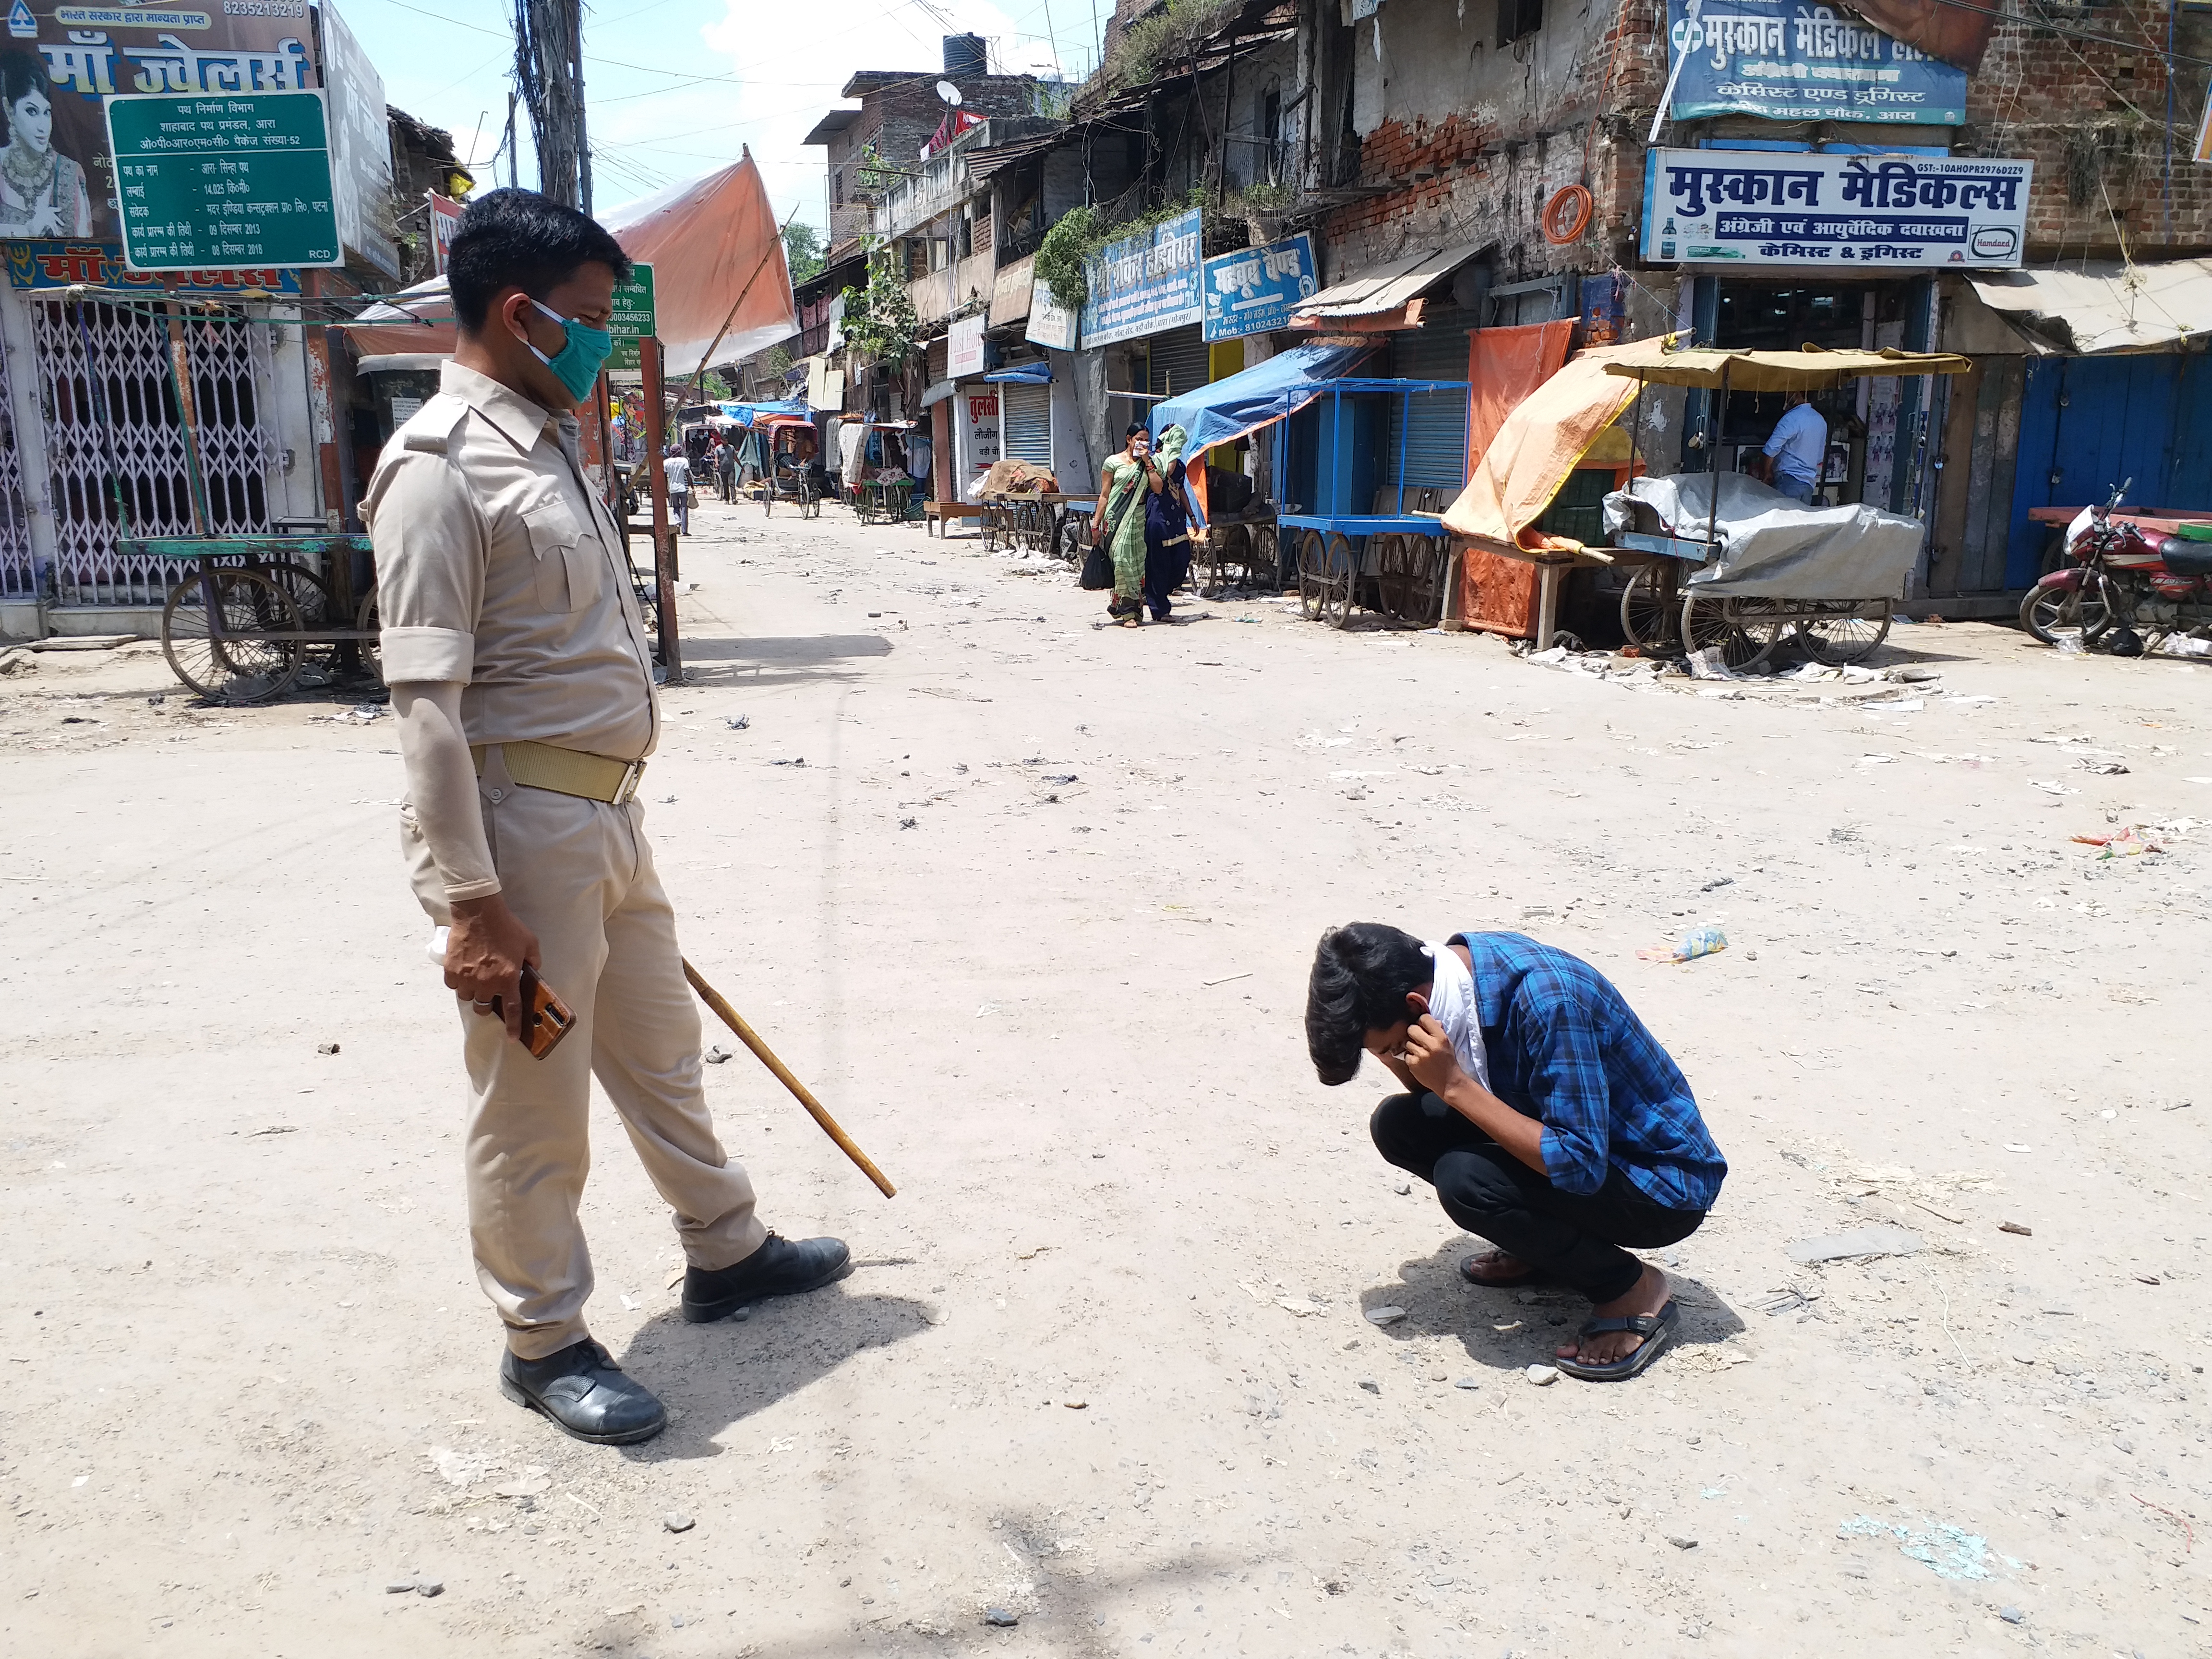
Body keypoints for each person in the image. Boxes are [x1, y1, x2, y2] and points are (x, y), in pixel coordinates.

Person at [363, 188, 848, 1447]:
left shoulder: (549, 441)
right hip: (520, 847)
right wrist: (472, 902)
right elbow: (424, 705)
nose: (596, 342)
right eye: (582, 320)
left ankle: (727, 1249)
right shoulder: (435, 470)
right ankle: (542, 1337)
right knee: (534, 1100)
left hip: (605, 826)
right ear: (519, 315)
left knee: (657, 1050)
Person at [1305, 924, 1726, 1382]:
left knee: (1465, 1181)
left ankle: (1632, 1289)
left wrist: (1453, 1084)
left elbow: (1579, 1163)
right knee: (1400, 1126)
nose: (1395, 1058)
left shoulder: (1548, 1001)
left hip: (1658, 1182)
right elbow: (1440, 1092)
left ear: (1416, 1006)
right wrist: (1417, 1069)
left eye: (1391, 1047)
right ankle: (1544, 1249)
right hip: (1572, 1139)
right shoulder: (1452, 973)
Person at [0, 51, 93, 237]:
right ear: (9, 110)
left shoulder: (69, 172)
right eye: (31, 111)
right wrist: (27, 230)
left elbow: (86, 243)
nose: (43, 126)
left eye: (46, 112)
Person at [1096, 423, 1163, 627]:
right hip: (1115, 520)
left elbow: (1158, 488)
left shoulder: (1148, 464)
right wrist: (1095, 524)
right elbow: (1105, 495)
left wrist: (1146, 461)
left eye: (1146, 441)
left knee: (1136, 566)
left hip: (1138, 518)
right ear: (1129, 439)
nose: (1142, 444)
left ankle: (1132, 610)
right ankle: (1127, 613)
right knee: (1122, 563)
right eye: (1138, 440)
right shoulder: (1112, 463)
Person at [1142, 424, 1193, 623]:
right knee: (1158, 564)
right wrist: (1170, 452)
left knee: (1182, 559)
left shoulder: (1180, 464)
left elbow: (1180, 488)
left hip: (1177, 519)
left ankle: (1158, 592)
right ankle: (1160, 609)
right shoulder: (1155, 462)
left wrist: (1192, 515)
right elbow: (1167, 473)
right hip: (1158, 516)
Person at [1756, 391, 1827, 505]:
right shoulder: (1820, 420)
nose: (1787, 397)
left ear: (1797, 394)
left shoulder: (1791, 418)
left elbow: (1770, 450)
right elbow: (1819, 457)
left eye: (1789, 394)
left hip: (1788, 482)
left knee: (1782, 521)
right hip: (1808, 485)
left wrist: (1767, 473)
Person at [662, 444, 691, 534]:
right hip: (683, 488)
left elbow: (665, 477)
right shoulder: (684, 461)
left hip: (673, 489)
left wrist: (666, 490)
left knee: (675, 508)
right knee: (684, 509)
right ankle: (685, 531)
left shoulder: (666, 462)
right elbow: (688, 475)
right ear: (679, 452)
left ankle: (678, 522)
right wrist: (692, 486)